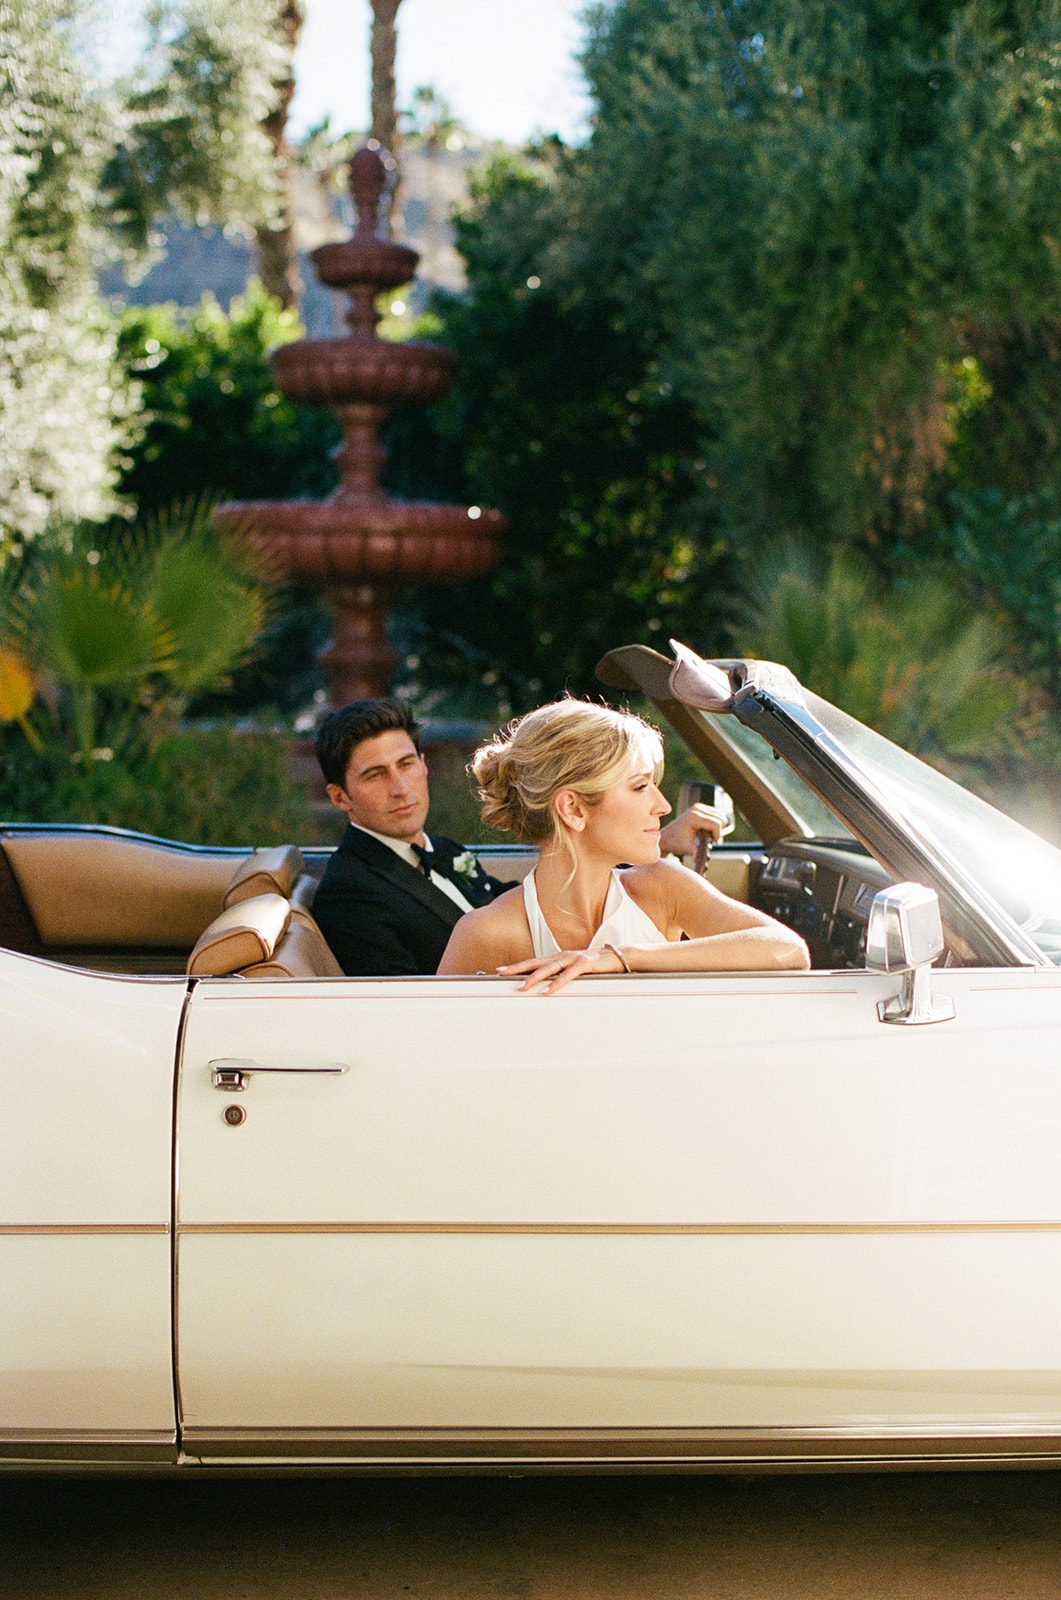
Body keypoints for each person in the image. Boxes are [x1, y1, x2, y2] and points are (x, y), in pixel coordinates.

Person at [312, 696, 731, 977]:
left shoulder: (444, 851)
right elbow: (401, 1014)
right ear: (338, 797)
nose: (400, 787)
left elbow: (551, 891)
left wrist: (646, 839)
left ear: (423, 765)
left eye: (406, 764)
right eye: (375, 774)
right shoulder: (349, 891)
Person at [438, 698, 810, 992]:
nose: (662, 806)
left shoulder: (664, 887)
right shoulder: (488, 933)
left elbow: (787, 950)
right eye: (639, 787)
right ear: (573, 808)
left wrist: (619, 958)